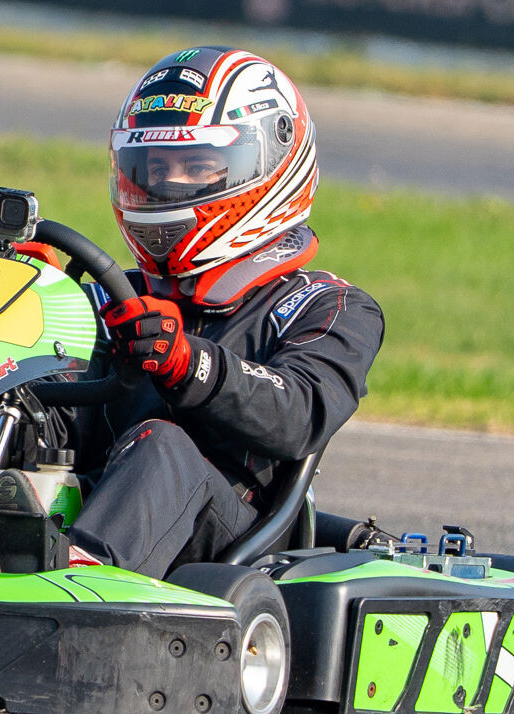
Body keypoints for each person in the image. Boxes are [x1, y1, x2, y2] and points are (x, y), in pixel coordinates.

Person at [64, 46, 384, 578]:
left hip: (230, 537)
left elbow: (299, 415)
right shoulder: (113, 296)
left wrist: (189, 363)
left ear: (267, 168)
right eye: (155, 169)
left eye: (197, 167)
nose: (168, 187)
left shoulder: (326, 306)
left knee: (162, 443)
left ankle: (74, 592)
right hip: (100, 495)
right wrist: (34, 301)